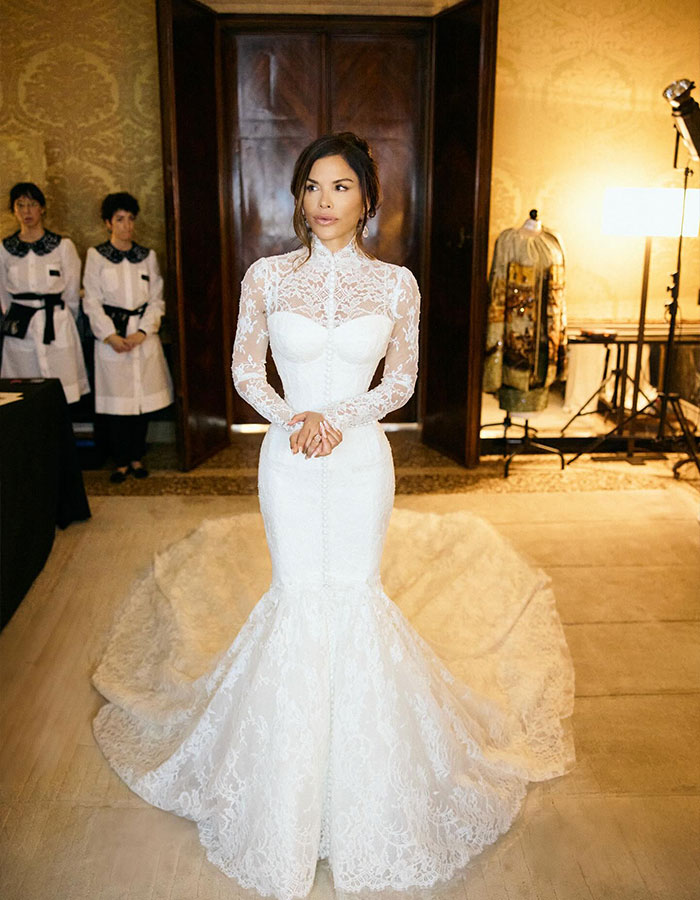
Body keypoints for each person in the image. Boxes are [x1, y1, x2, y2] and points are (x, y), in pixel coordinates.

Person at [91, 134, 575, 899]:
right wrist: (294, 420)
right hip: (288, 459)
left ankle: (363, 791)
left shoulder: (395, 285)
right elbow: (245, 367)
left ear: (368, 199)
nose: (322, 201)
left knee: (353, 597)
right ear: (298, 197)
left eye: (340, 187)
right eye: (311, 186)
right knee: (297, 598)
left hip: (356, 463)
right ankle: (285, 794)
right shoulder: (266, 277)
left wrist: (336, 418)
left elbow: (405, 379)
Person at [82, 192, 173, 483]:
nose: (126, 226)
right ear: (108, 223)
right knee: (117, 405)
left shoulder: (147, 257)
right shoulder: (96, 256)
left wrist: (143, 332)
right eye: (120, 220)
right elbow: (92, 301)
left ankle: (136, 457)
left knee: (140, 403)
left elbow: (157, 300)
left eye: (130, 219)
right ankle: (120, 461)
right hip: (111, 339)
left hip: (142, 337)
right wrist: (110, 335)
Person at [0, 182, 89, 404]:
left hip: (55, 320)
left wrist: (62, 316)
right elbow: (3, 294)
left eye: (32, 205)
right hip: (20, 324)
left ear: (42, 208)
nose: (26, 211)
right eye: (20, 205)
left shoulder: (62, 246)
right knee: (22, 394)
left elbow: (70, 291)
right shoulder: (4, 249)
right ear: (14, 210)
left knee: (61, 392)